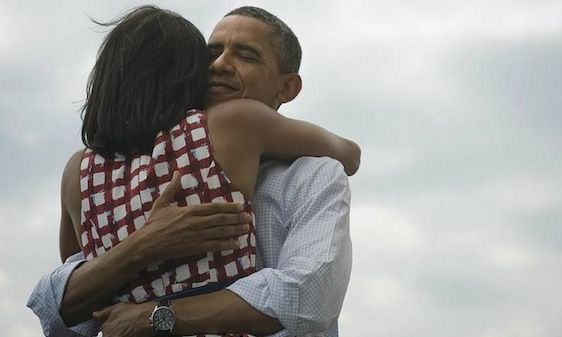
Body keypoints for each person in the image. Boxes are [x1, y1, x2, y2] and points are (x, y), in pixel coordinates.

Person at [28, 6, 355, 337]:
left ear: (287, 88)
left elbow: (309, 295)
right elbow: (71, 292)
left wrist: (153, 314)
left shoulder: (312, 176)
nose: (218, 65)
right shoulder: (222, 132)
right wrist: (144, 244)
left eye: (246, 56)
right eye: (210, 53)